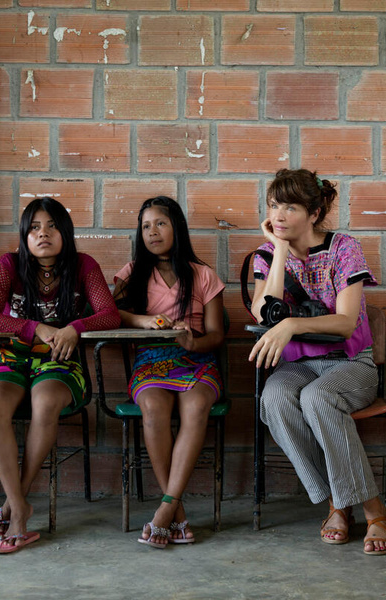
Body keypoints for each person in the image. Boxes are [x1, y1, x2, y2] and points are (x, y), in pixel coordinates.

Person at [248, 168, 386, 556]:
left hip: (350, 363)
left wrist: (293, 323)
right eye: (274, 205)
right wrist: (279, 250)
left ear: (314, 213)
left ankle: (372, 508)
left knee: (318, 398)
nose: (278, 214)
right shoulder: (266, 255)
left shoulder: (344, 248)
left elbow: (347, 323)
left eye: (290, 207)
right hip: (298, 365)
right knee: (274, 399)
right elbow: (264, 313)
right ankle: (338, 498)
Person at [0, 197, 118, 554]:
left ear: (65, 233)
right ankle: (19, 504)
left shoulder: (84, 266)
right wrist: (32, 327)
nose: (43, 234)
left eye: (52, 226)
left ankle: (15, 508)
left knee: (46, 402)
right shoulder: (7, 265)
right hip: (14, 353)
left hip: (61, 356)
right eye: (35, 227)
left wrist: (76, 327)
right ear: (24, 234)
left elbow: (109, 315)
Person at [113, 196, 225, 549]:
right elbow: (109, 314)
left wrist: (193, 344)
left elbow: (218, 333)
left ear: (177, 226)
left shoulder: (203, 275)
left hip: (195, 361)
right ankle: (173, 508)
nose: (152, 232)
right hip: (150, 361)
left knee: (195, 408)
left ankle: (164, 511)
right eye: (145, 226)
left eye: (160, 223)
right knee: (154, 410)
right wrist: (143, 320)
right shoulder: (132, 273)